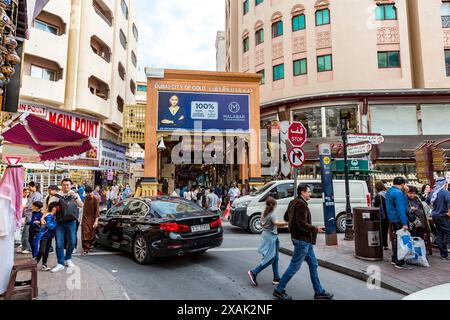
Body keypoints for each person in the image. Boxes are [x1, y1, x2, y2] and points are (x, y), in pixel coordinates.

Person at [273, 184, 333, 300]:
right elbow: (301, 224)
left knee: (313, 264)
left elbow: (286, 218)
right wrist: (315, 229)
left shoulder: (293, 202)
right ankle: (279, 290)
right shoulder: (301, 205)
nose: (310, 194)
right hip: (302, 240)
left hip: (303, 240)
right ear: (302, 193)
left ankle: (318, 291)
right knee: (294, 266)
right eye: (308, 192)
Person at [248, 198, 288, 287]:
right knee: (270, 259)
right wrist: (287, 223)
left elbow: (262, 224)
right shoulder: (271, 214)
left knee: (276, 258)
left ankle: (276, 278)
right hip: (271, 237)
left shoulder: (263, 213)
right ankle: (254, 272)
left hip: (267, 235)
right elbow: (276, 223)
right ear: (274, 205)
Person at [51, 179, 83, 273]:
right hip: (59, 222)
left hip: (71, 222)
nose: (66, 187)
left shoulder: (74, 194)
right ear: (61, 185)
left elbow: (81, 205)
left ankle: (68, 258)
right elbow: (51, 208)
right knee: (59, 243)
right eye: (64, 185)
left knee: (72, 242)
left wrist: (76, 197)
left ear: (71, 185)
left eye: (68, 185)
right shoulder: (56, 196)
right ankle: (60, 263)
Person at [385, 177, 411, 269]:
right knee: (401, 240)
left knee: (396, 239)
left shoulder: (389, 191)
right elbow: (401, 208)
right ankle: (400, 261)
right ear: (403, 184)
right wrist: (404, 223)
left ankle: (394, 258)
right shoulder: (398, 193)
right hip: (399, 219)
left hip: (392, 218)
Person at [426, 177, 450, 261]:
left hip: (435, 215)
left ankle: (444, 255)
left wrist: (434, 208)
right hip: (443, 216)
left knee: (440, 235)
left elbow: (427, 202)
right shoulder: (445, 192)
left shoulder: (433, 192)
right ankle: (446, 253)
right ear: (444, 183)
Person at [19, 182, 42, 254]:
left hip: (31, 216)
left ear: (33, 186)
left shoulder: (37, 195)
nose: (28, 188)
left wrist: (24, 207)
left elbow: (35, 206)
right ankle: (24, 246)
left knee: (27, 232)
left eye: (29, 187)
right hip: (28, 215)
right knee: (25, 232)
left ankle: (28, 248)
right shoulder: (32, 194)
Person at [36, 202, 59, 271]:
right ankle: (34, 263)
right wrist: (58, 222)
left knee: (46, 251)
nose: (58, 209)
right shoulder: (49, 215)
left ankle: (44, 265)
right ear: (53, 208)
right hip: (44, 236)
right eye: (57, 207)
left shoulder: (53, 216)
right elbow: (50, 226)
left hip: (49, 237)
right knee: (42, 251)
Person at [81, 186, 100, 256]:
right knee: (85, 234)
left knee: (91, 234)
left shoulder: (95, 199)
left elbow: (97, 211)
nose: (90, 194)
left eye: (91, 192)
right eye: (88, 193)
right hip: (85, 219)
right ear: (86, 193)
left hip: (92, 219)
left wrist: (96, 221)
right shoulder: (85, 198)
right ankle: (86, 249)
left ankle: (90, 245)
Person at [373, 181, 389, 250]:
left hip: (381, 215)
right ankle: (385, 244)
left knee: (381, 230)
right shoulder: (387, 194)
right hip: (388, 215)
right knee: (385, 230)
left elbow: (375, 206)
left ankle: (382, 244)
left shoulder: (378, 196)